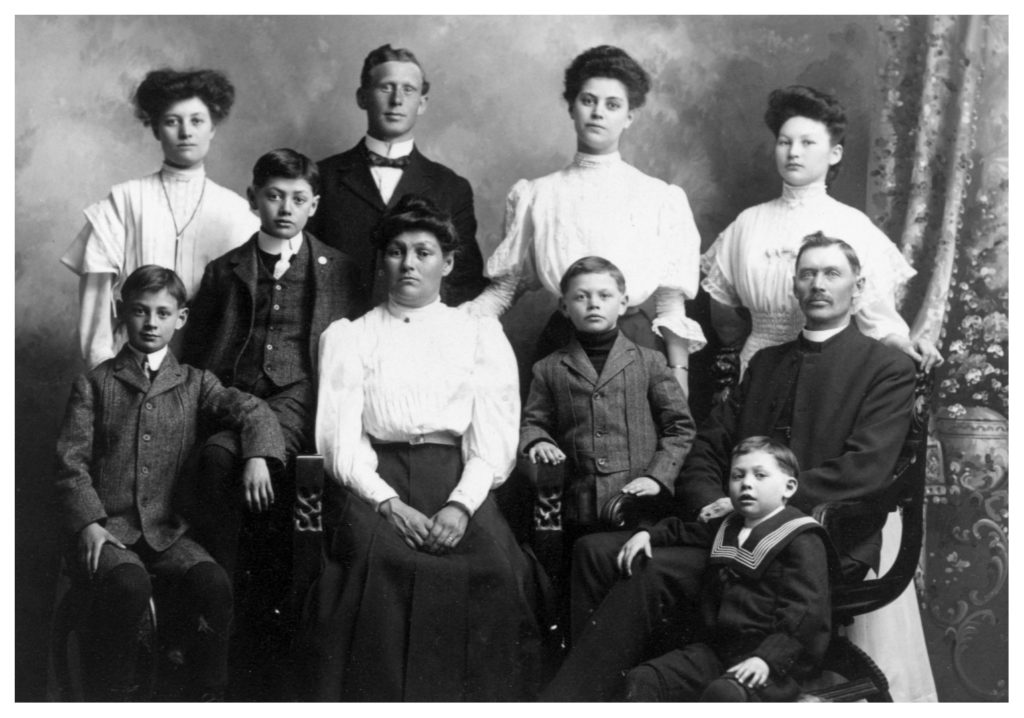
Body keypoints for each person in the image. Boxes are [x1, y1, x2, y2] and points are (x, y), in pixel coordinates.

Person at [542, 234, 918, 701]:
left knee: (647, 571)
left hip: (814, 542)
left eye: (832, 274)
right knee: (596, 552)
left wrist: (754, 509)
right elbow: (707, 448)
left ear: (857, 287)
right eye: (807, 274)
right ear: (795, 287)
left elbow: (866, 469)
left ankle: (570, 703)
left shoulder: (886, 366)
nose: (818, 284)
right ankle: (631, 693)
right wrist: (710, 504)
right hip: (729, 531)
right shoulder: (765, 363)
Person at [305, 195, 541, 701]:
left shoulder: (477, 332)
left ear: (448, 262)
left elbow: (493, 439)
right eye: (395, 251)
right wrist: (387, 504)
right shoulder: (352, 336)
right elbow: (341, 441)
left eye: (423, 251)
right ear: (382, 261)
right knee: (378, 571)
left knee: (496, 570)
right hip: (374, 483)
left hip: (459, 480)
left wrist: (460, 506)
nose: (408, 263)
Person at [53, 265, 285, 701]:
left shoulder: (196, 383)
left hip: (168, 532)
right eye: (140, 311)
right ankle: (116, 696)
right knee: (128, 585)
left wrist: (258, 453)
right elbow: (70, 463)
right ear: (123, 314)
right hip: (110, 532)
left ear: (180, 319)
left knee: (213, 584)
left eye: (163, 313)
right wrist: (89, 523)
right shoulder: (94, 384)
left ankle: (205, 697)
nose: (151, 322)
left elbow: (251, 410)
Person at [180, 148, 361, 698]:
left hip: (298, 396)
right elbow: (201, 354)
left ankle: (265, 634)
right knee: (213, 459)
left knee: (275, 478)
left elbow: (342, 355)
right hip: (231, 396)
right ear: (254, 197)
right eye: (275, 195)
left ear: (315, 205)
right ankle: (215, 600)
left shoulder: (338, 269)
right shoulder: (225, 269)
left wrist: (262, 445)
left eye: (298, 199)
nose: (286, 208)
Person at [468, 45, 705, 391]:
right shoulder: (537, 194)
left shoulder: (658, 196)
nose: (598, 113)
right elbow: (505, 289)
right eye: (588, 100)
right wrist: (446, 322)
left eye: (612, 105)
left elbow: (670, 303)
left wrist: (678, 375)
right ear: (571, 107)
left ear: (628, 117)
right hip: (562, 346)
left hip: (635, 344)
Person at [701, 85, 941, 375]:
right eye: (784, 142)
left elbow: (878, 322)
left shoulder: (853, 225)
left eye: (807, 143)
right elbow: (724, 317)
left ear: (835, 153)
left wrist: (903, 343)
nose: (793, 153)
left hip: (830, 369)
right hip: (756, 369)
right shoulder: (746, 223)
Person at [61, 68, 258, 369]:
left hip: (209, 365)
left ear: (212, 127)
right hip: (128, 362)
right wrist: (105, 375)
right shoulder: (123, 202)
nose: (186, 132)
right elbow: (96, 307)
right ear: (155, 129)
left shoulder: (237, 213)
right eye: (171, 121)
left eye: (196, 121)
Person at [621, 437, 833, 702]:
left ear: (788, 487)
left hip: (769, 662)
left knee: (723, 694)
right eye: (737, 475)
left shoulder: (801, 536)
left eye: (760, 475)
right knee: (644, 679)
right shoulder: (730, 525)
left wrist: (767, 659)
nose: (746, 483)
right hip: (717, 652)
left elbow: (805, 612)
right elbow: (685, 531)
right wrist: (648, 535)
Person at [520, 255, 695, 563]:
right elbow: (533, 423)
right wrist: (539, 441)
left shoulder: (650, 361)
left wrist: (657, 477)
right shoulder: (548, 369)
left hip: (638, 503)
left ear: (623, 302)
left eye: (604, 295)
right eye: (581, 296)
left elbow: (680, 427)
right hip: (577, 504)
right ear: (564, 306)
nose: (593, 304)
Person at [307, 43, 487, 307]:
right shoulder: (322, 177)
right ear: (362, 97)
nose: (397, 100)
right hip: (334, 333)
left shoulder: (451, 187)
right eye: (386, 87)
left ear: (422, 103)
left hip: (419, 339)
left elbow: (464, 281)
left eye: (408, 89)